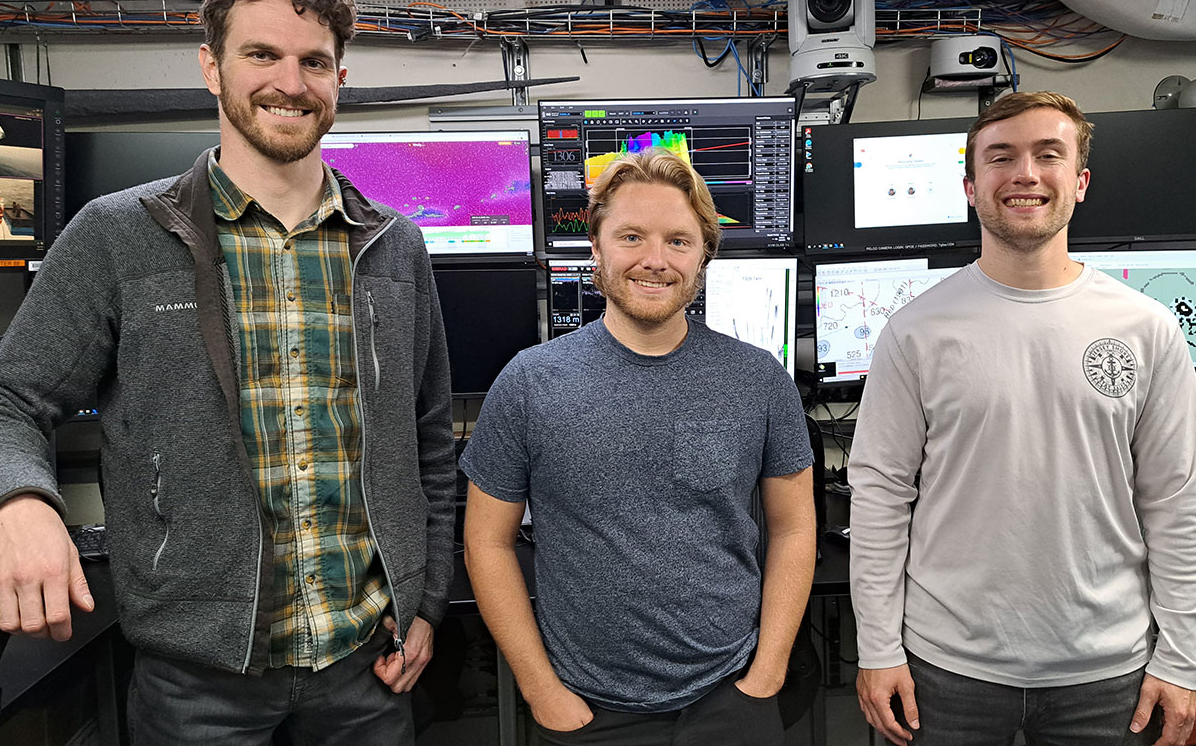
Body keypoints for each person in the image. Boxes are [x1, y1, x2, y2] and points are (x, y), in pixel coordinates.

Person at [0, 0, 456, 742]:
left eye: (315, 60)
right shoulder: (116, 238)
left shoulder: (395, 247)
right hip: (195, 688)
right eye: (262, 54)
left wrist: (428, 604)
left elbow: (430, 445)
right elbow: (11, 398)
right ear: (212, 67)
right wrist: (20, 500)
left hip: (368, 670)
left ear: (339, 78)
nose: (290, 80)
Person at [849, 90, 1196, 746]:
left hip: (1109, 674)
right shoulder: (915, 331)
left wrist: (1183, 657)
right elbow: (878, 500)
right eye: (1001, 157)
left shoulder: (1147, 330)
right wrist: (877, 649)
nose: (1025, 173)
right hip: (945, 672)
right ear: (971, 187)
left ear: (1080, 182)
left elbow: (1177, 504)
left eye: (1048, 155)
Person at [461, 148, 817, 746]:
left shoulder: (758, 380)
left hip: (730, 696)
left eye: (679, 241)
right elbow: (486, 542)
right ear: (595, 249)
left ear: (704, 255)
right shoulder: (528, 382)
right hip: (587, 710)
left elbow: (794, 529)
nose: (655, 260)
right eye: (631, 237)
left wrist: (768, 671)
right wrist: (540, 689)